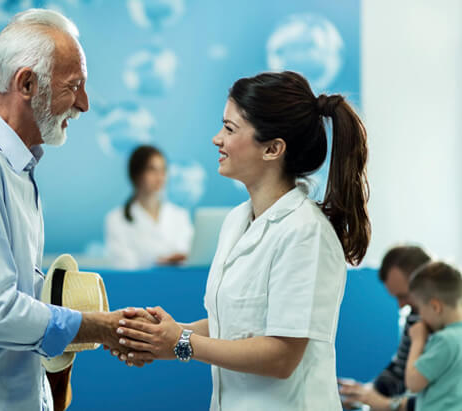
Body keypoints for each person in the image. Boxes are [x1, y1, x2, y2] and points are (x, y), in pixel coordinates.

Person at [0, 9, 154, 411]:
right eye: (75, 87)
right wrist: (98, 328)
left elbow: (6, 291)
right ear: (27, 83)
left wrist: (88, 320)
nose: (84, 104)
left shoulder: (10, 165)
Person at [109, 71, 371, 410]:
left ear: (273, 149)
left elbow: (281, 356)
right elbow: (232, 324)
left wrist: (182, 342)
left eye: (230, 129)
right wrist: (163, 335)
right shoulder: (235, 222)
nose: (217, 139)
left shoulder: (306, 232)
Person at [339, 245, 431, 411]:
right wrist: (366, 393)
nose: (401, 305)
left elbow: (442, 396)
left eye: (403, 296)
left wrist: (386, 404)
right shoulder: (414, 317)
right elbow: (399, 371)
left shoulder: (448, 330)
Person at [104, 145, 194, 269]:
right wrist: (157, 262)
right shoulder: (117, 219)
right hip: (139, 286)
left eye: (163, 170)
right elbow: (124, 265)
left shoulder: (180, 215)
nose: (160, 176)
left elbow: (189, 255)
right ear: (136, 174)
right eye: (152, 170)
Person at [402, 261, 462, 411]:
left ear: (436, 307)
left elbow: (413, 383)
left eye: (419, 308)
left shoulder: (445, 340)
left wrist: (417, 341)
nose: (420, 315)